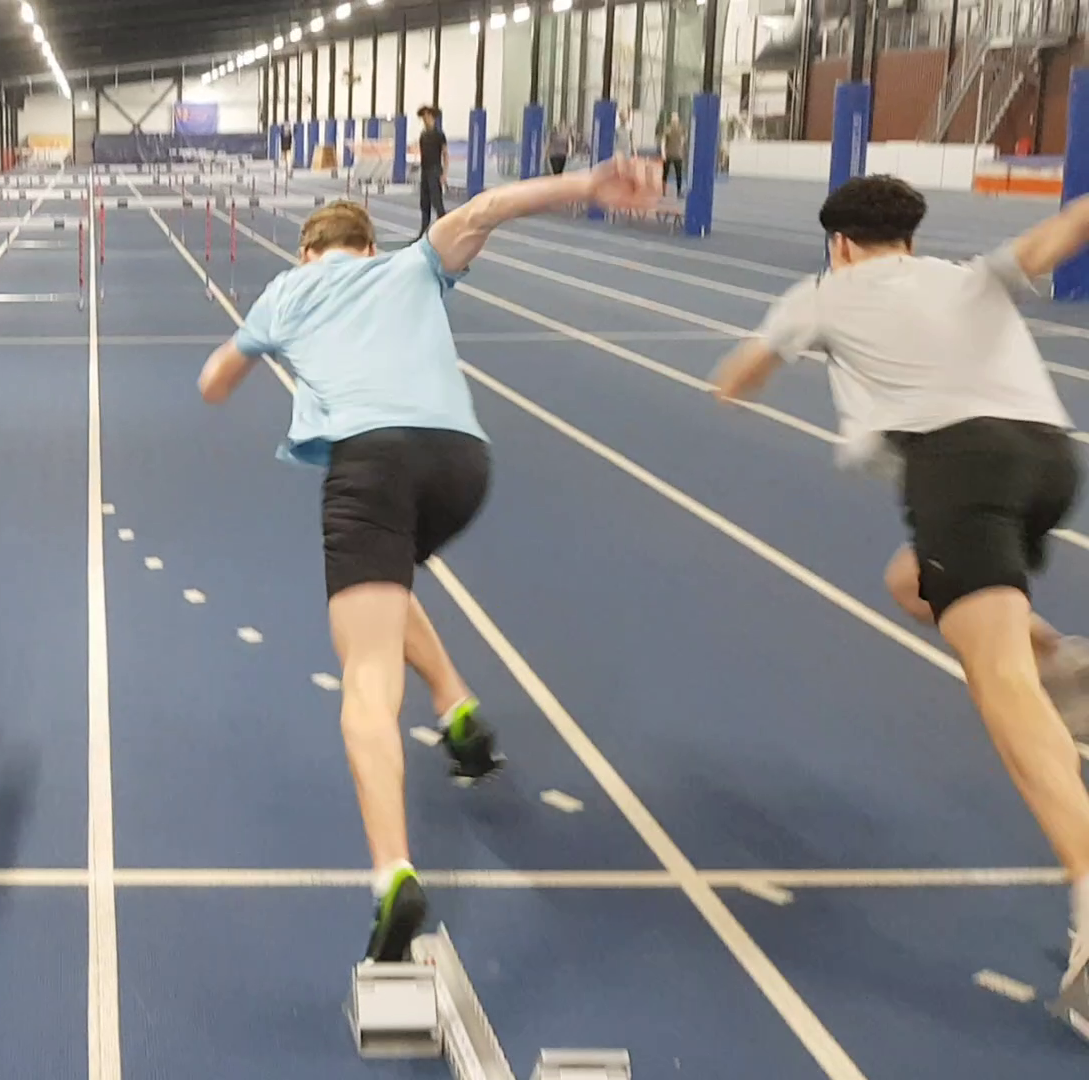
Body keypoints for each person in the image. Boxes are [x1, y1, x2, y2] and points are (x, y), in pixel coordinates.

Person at [198, 159, 661, 962]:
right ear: (368, 244)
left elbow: (214, 382)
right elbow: (487, 208)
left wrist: (262, 356)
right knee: (385, 584)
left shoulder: (285, 290)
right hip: (461, 464)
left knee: (365, 674)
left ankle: (392, 874)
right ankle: (457, 711)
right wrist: (589, 186)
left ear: (309, 252)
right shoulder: (411, 263)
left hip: (371, 467)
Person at [711, 175, 1089, 1040]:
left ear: (839, 243)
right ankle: (1062, 663)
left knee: (996, 688)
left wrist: (730, 384)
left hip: (960, 466)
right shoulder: (964, 274)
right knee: (913, 582)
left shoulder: (822, 291)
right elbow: (1055, 235)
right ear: (907, 239)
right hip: (1050, 461)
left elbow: (746, 370)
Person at [415, 105, 449, 237]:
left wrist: (444, 174)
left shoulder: (439, 135)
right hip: (425, 170)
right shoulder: (423, 135)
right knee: (424, 202)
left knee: (437, 202)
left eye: (427, 117)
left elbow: (445, 154)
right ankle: (424, 230)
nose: (425, 120)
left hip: (435, 171)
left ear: (433, 118)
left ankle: (445, 229)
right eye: (423, 118)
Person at [661, 115, 686, 198]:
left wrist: (663, 153)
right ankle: (670, 191)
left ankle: (673, 192)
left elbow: (682, 141)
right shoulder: (675, 129)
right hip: (673, 154)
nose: (675, 122)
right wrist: (663, 153)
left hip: (673, 154)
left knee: (671, 173)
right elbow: (663, 142)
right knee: (669, 173)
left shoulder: (669, 129)